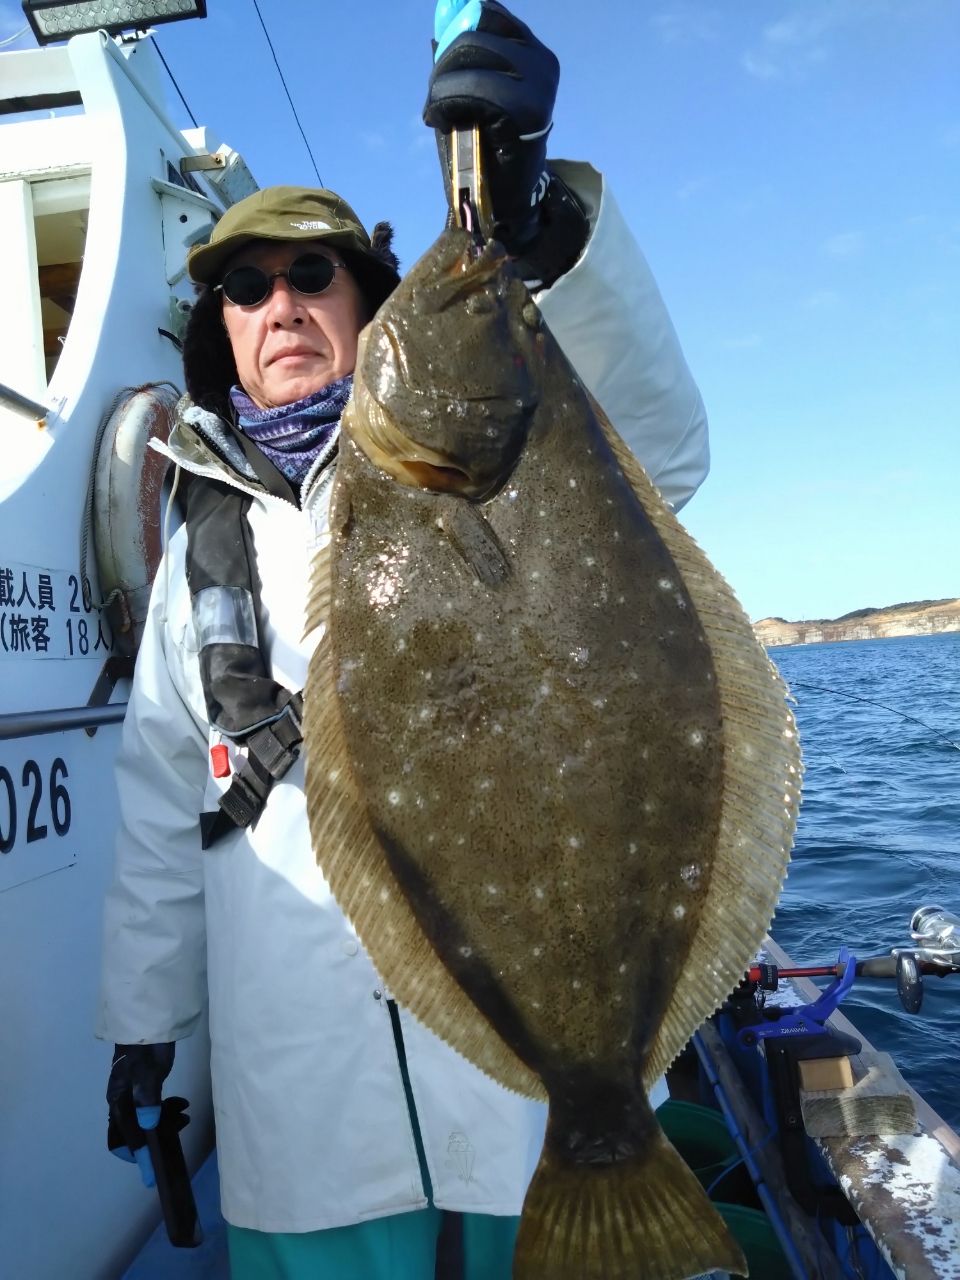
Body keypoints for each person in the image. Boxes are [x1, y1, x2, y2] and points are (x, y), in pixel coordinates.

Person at [97, 4, 710, 1278]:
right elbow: (165, 809)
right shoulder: (195, 548)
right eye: (244, 288)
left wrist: (551, 238)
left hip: (525, 1101)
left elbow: (666, 442)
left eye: (312, 275)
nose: (278, 305)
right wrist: (145, 1028)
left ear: (369, 308)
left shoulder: (522, 444)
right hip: (306, 1120)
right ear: (222, 331)